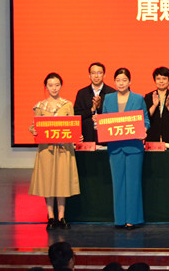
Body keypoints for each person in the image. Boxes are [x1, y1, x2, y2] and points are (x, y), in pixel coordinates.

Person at [28, 72, 80, 229]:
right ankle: (50, 216)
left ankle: (61, 216)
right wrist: (33, 130)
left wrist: (77, 135)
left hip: (64, 148)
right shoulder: (40, 106)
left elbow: (73, 125)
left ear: (61, 86)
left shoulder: (67, 105)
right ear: (46, 87)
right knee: (47, 181)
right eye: (51, 85)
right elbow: (35, 125)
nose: (54, 88)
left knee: (62, 181)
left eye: (57, 85)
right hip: (46, 149)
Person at [101, 68, 150, 229]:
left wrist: (144, 130)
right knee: (118, 183)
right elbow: (104, 120)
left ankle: (133, 219)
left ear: (130, 82)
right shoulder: (108, 98)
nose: (121, 83)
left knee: (133, 183)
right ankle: (120, 219)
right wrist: (97, 123)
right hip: (115, 147)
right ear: (114, 82)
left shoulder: (138, 98)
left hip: (134, 147)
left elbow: (146, 120)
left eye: (124, 80)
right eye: (118, 80)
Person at [73, 62, 116, 142]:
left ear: (104, 75)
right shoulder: (82, 93)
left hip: (106, 137)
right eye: (93, 73)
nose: (96, 76)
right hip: (86, 137)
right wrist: (91, 110)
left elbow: (115, 115)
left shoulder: (112, 93)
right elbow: (76, 115)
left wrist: (100, 115)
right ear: (89, 75)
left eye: (99, 73)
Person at [144, 66, 169, 146]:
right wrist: (154, 105)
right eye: (158, 79)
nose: (161, 81)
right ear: (155, 80)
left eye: (164, 78)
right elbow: (145, 117)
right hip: (152, 138)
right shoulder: (148, 96)